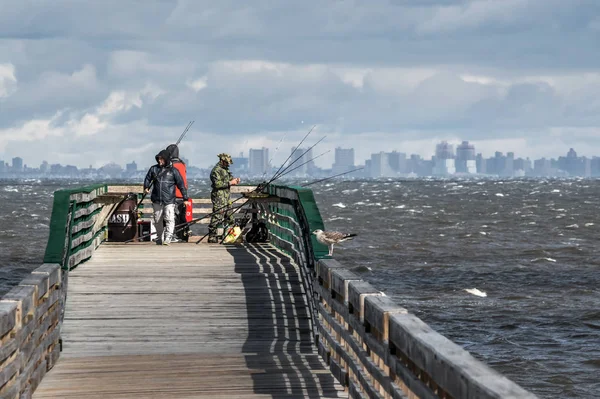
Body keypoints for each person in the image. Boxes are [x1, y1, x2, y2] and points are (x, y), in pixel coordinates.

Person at [143, 149, 189, 245]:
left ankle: (168, 237)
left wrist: (185, 198)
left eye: (162, 159)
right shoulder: (153, 169)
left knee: (169, 218)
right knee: (157, 219)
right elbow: (147, 178)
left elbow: (181, 185)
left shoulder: (174, 171)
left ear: (166, 159)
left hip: (169, 200)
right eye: (159, 159)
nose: (160, 161)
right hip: (156, 199)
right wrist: (146, 187)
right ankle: (160, 237)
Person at [207, 153, 240, 243]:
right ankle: (212, 235)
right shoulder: (216, 171)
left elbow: (229, 179)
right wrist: (230, 183)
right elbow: (217, 184)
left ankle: (228, 235)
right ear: (222, 161)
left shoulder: (225, 170)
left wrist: (235, 180)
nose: (228, 164)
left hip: (226, 197)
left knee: (230, 217)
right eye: (226, 162)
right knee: (217, 216)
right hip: (219, 197)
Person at [166, 144, 191, 242]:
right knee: (182, 216)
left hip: (174, 194)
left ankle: (174, 235)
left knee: (173, 216)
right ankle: (184, 236)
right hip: (183, 194)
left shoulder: (171, 165)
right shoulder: (182, 164)